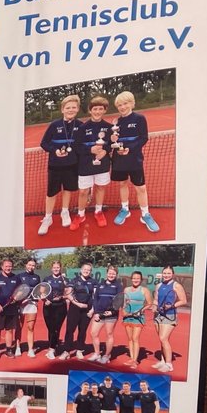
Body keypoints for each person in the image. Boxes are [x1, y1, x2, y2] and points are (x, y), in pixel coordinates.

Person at [110, 91, 159, 233]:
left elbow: (143, 138)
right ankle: (125, 209)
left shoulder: (139, 118)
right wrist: (113, 140)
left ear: (132, 103)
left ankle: (145, 214)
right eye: (119, 105)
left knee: (141, 188)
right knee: (122, 184)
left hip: (134, 159)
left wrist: (129, 149)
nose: (122, 107)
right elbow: (114, 140)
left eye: (125, 103)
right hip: (119, 158)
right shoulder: (116, 122)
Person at [37, 94, 81, 235]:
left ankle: (64, 212)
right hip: (55, 165)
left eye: (73, 107)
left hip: (72, 165)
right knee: (51, 193)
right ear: (62, 109)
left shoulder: (80, 125)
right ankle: (48, 218)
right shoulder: (54, 125)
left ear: (77, 109)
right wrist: (54, 151)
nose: (71, 110)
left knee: (67, 189)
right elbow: (44, 143)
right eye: (68, 107)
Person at [70, 96, 114, 229]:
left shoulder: (110, 128)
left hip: (103, 164)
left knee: (100, 188)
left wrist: (105, 150)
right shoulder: (82, 128)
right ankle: (81, 214)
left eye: (101, 109)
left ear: (105, 110)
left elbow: (111, 144)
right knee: (83, 191)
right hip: (85, 165)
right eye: (95, 109)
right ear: (90, 110)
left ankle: (98, 211)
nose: (98, 112)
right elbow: (76, 147)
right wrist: (90, 150)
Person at [151, 265, 187, 373]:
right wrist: (154, 306)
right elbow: (156, 299)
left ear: (173, 274)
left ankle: (169, 364)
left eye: (169, 273)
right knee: (161, 339)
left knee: (163, 338)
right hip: (158, 315)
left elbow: (183, 300)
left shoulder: (176, 286)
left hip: (170, 316)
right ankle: (162, 361)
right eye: (165, 273)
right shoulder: (158, 285)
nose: (166, 275)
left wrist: (171, 306)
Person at [59, 261, 94, 360]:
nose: (86, 271)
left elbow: (95, 297)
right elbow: (69, 294)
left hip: (87, 310)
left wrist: (91, 310)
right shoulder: (74, 281)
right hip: (74, 308)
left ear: (90, 271)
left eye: (88, 270)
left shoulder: (93, 282)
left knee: (82, 330)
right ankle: (66, 351)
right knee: (70, 330)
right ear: (81, 270)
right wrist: (78, 304)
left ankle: (79, 350)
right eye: (85, 269)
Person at [86, 265, 121, 363]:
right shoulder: (100, 284)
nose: (111, 275)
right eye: (110, 273)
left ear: (116, 274)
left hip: (111, 315)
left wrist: (112, 311)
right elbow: (96, 299)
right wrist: (96, 313)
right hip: (99, 313)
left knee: (109, 334)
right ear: (107, 273)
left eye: (113, 273)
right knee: (93, 333)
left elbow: (119, 300)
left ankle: (107, 355)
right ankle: (97, 354)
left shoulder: (118, 285)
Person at [121, 270, 153, 367]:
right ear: (131, 279)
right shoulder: (126, 289)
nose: (136, 280)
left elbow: (150, 304)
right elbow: (124, 303)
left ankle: (135, 361)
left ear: (141, 280)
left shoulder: (144, 290)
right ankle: (131, 359)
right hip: (127, 317)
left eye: (138, 278)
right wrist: (124, 310)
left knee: (135, 338)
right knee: (130, 339)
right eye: (134, 278)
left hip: (138, 318)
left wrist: (141, 310)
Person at [0, 258, 20, 358]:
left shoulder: (16, 278)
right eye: (6, 266)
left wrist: (17, 297)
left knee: (9, 330)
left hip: (12, 308)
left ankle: (8, 350)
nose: (8, 268)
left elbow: (20, 290)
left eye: (10, 266)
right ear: (2, 267)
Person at [41, 260, 69, 360]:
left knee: (56, 328)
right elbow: (41, 292)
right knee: (51, 328)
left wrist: (61, 297)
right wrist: (45, 300)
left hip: (61, 307)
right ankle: (52, 347)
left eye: (58, 267)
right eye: (54, 267)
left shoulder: (65, 280)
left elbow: (68, 294)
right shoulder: (46, 279)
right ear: (51, 268)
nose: (56, 269)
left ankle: (51, 349)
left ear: (60, 268)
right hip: (48, 307)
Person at [15, 257, 42, 357]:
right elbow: (16, 291)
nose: (31, 267)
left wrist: (38, 297)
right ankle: (18, 347)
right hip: (21, 304)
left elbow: (38, 291)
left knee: (30, 327)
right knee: (19, 327)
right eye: (29, 265)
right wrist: (20, 300)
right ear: (26, 265)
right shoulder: (19, 276)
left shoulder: (37, 277)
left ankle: (30, 349)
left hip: (32, 304)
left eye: (33, 265)